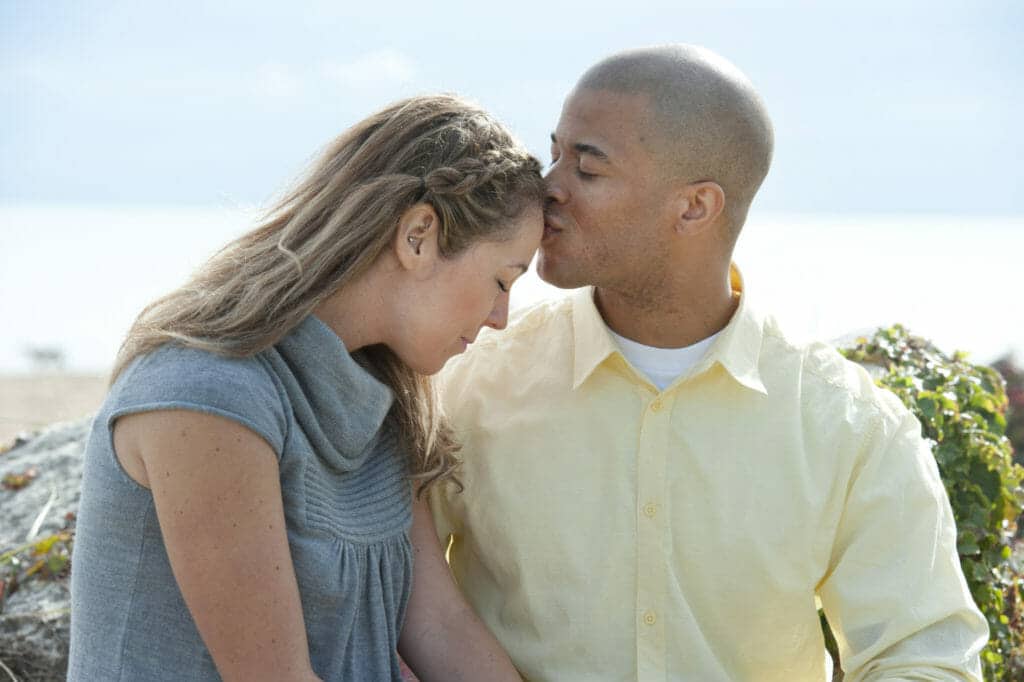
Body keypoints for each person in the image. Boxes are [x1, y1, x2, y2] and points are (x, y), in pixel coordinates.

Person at [430, 46, 989, 681]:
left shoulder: (851, 426)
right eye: (554, 152)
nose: (546, 187)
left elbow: (924, 658)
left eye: (585, 169)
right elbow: (389, 599)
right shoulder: (469, 384)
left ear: (695, 207)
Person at [68, 94, 544, 681]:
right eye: (502, 279)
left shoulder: (380, 402)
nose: (501, 316)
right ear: (418, 235)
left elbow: (441, 626)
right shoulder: (208, 395)